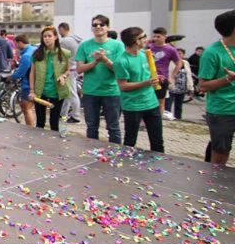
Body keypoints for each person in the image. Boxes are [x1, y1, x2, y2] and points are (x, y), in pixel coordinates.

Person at [75, 15, 124, 144]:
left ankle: (115, 152)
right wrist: (95, 61)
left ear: (108, 27)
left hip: (111, 91)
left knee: (113, 127)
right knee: (91, 127)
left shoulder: (117, 46)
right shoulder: (84, 45)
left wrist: (105, 59)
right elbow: (79, 69)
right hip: (90, 92)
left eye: (101, 24)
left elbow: (120, 70)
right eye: (95, 25)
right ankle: (92, 151)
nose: (98, 27)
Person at [115, 27, 164, 152]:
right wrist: (146, 83)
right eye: (144, 37)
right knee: (130, 141)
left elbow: (148, 75)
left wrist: (156, 78)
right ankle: (127, 161)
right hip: (133, 106)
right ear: (136, 41)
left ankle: (160, 161)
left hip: (151, 103)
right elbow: (123, 86)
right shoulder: (121, 61)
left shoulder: (145, 55)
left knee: (157, 140)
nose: (147, 39)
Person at [197, 10, 235, 166]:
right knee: (220, 155)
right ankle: (214, 180)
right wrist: (228, 79)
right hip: (223, 110)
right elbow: (203, 86)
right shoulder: (212, 53)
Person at [28, 26, 70, 131]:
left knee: (54, 122)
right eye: (44, 36)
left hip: (56, 91)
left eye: (49, 36)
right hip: (41, 90)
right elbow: (32, 73)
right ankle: (39, 140)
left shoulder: (64, 53)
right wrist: (32, 90)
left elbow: (69, 69)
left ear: (55, 37)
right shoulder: (37, 54)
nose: (47, 39)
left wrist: (63, 76)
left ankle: (53, 140)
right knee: (40, 122)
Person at [147, 27, 182, 120]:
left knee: (160, 101)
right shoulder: (149, 47)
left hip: (162, 78)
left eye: (158, 36)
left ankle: (158, 120)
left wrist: (172, 77)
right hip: (148, 77)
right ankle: (144, 120)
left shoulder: (170, 49)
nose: (156, 39)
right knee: (146, 99)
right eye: (154, 36)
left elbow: (179, 63)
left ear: (164, 37)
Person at [57, 22, 82, 123]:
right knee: (67, 94)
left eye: (59, 31)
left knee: (71, 93)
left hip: (69, 69)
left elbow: (60, 56)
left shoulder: (66, 41)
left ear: (62, 29)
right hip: (75, 67)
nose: (59, 33)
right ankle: (63, 114)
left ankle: (76, 116)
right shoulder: (76, 39)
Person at [10, 34, 36, 127]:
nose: (16, 46)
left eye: (16, 44)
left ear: (20, 42)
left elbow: (21, 72)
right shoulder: (33, 49)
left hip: (28, 84)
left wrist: (10, 77)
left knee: (27, 108)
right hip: (36, 83)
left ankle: (30, 128)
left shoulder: (26, 56)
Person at [166, 48, 194, 120]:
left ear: (183, 55)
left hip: (182, 87)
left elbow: (189, 75)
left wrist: (191, 88)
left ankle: (178, 118)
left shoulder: (186, 63)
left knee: (179, 105)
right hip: (172, 86)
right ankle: (168, 118)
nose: (178, 55)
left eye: (180, 53)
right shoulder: (170, 62)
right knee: (168, 104)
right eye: (177, 53)